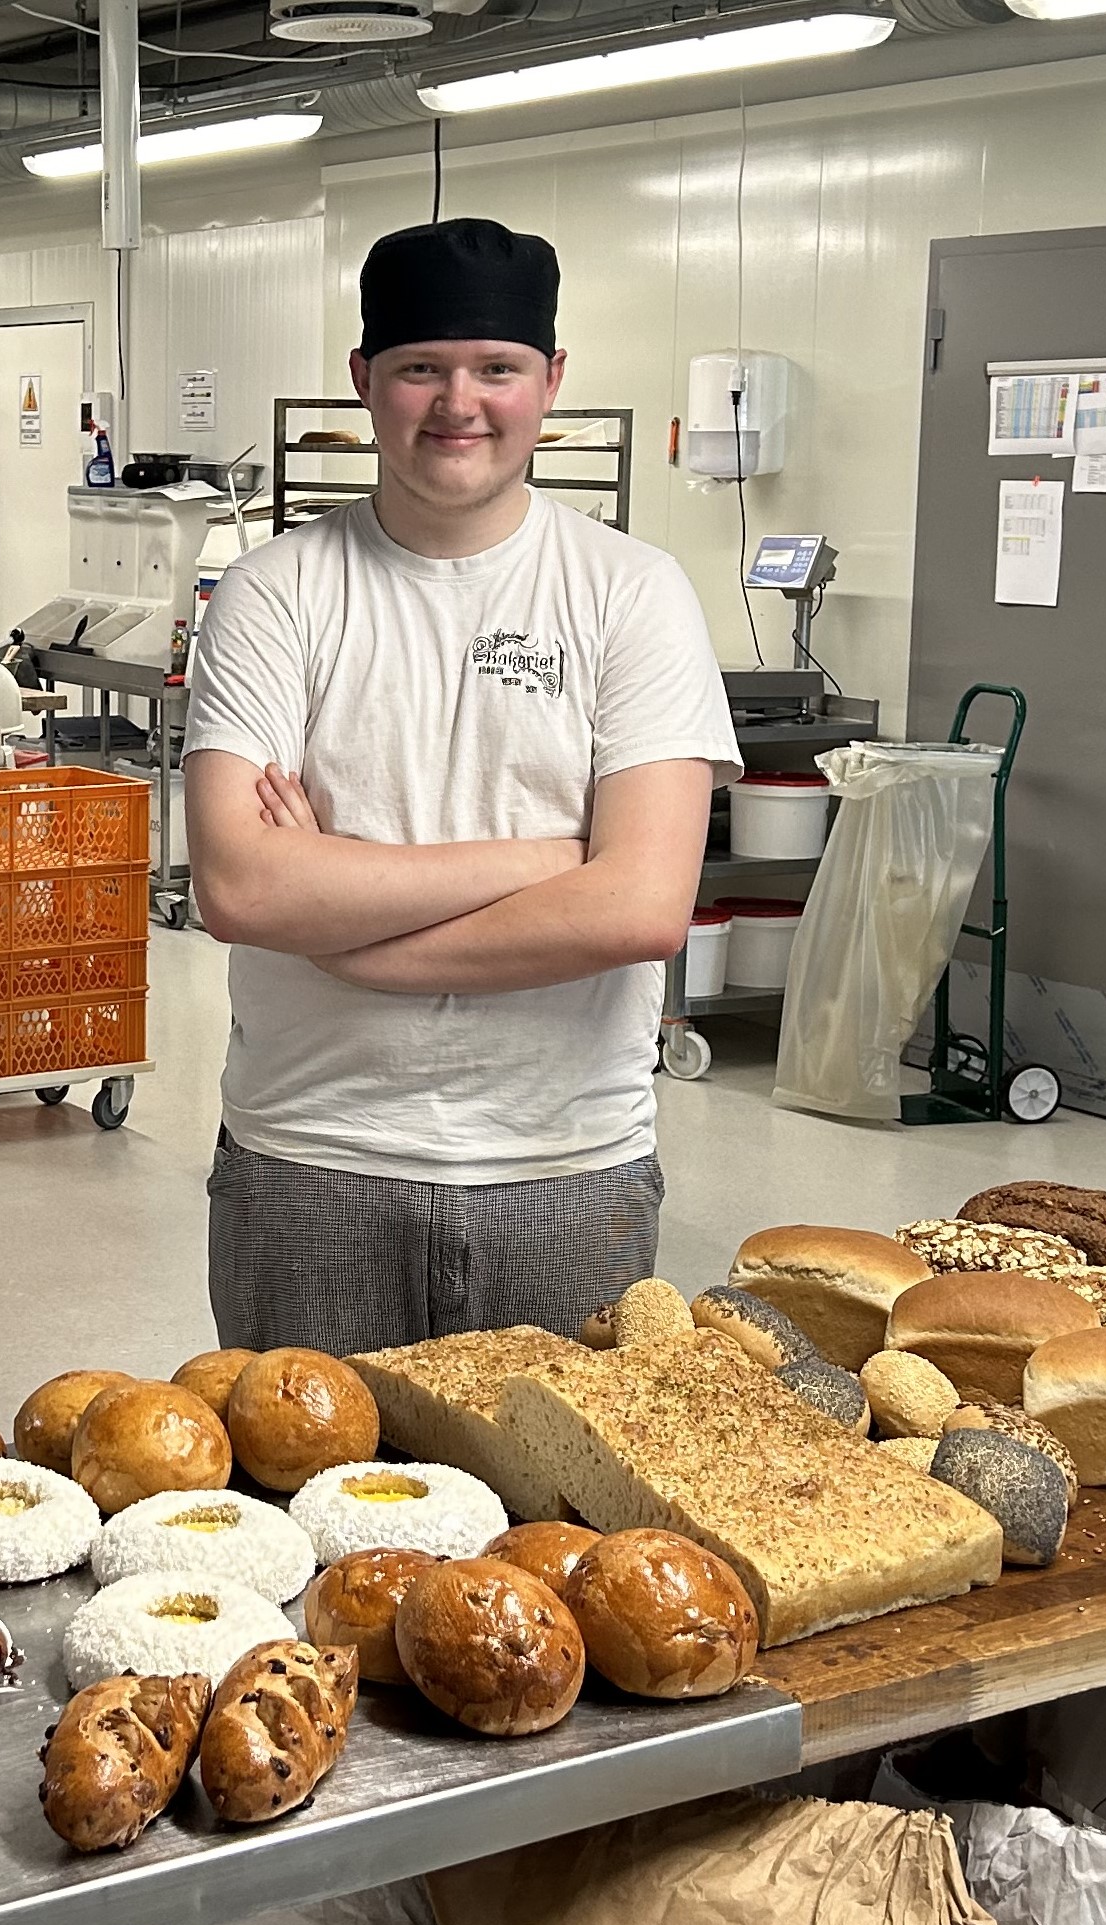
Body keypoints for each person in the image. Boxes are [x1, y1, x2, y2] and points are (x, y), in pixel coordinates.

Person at [183, 217, 740, 1354]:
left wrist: (346, 932)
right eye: (420, 369)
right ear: (362, 381)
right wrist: (552, 860)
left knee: (561, 1482)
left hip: (566, 1168)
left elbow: (640, 909)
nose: (458, 403)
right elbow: (241, 887)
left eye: (496, 368)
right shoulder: (272, 593)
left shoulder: (632, 593)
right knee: (308, 1475)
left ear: (551, 381)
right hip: (310, 1158)